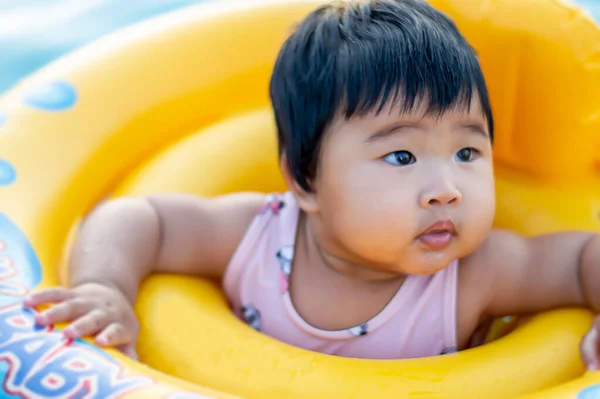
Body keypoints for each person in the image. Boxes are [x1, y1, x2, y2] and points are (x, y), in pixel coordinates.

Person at [24, 0, 600, 368]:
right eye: (401, 155)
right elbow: (131, 217)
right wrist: (106, 288)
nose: (446, 188)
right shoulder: (257, 235)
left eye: (468, 151)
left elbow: (581, 260)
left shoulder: (477, 275)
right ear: (305, 181)